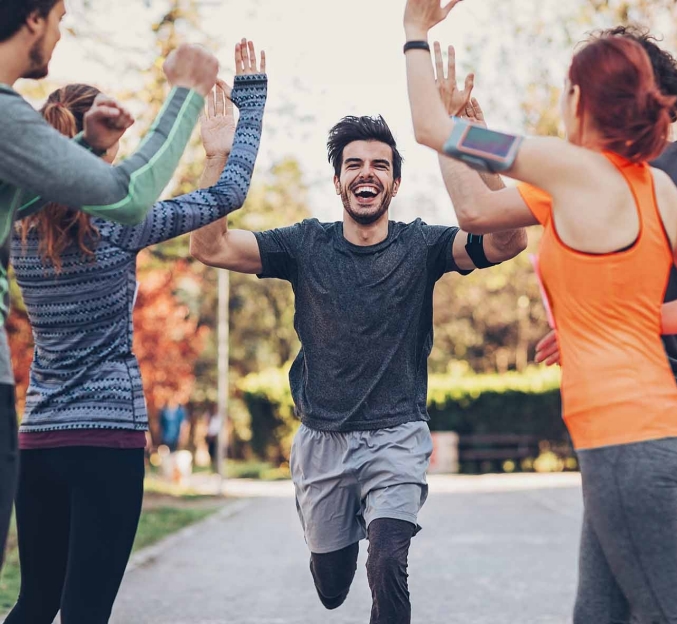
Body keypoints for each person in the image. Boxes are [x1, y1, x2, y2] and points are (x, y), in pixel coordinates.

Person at [402, 0, 677, 622]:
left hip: (628, 437)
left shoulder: (567, 168)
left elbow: (432, 130)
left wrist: (414, 32)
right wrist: (608, 324)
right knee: (597, 612)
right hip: (664, 431)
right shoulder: (658, 187)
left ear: (582, 101)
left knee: (671, 615)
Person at [189, 110, 526, 623]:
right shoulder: (305, 245)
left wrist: (475, 145)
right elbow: (208, 246)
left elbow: (509, 241)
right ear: (337, 181)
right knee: (331, 587)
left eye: (379, 165)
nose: (366, 173)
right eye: (354, 164)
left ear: (394, 184)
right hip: (322, 441)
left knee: (388, 559)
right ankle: (329, 544)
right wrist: (217, 158)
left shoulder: (421, 245)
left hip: (397, 435)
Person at [4, 39, 266, 624]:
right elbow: (227, 195)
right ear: (105, 142)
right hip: (107, 439)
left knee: (34, 602)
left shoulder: (17, 223)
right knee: (86, 611)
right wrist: (246, 112)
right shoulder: (121, 218)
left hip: (38, 438)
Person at [0, 0, 219, 565]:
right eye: (60, 17)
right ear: (32, 18)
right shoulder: (3, 115)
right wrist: (187, 94)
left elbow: (28, 199)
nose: (61, 31)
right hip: (104, 430)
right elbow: (126, 195)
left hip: (38, 426)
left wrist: (87, 148)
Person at [531, 27, 677, 624]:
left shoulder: (592, 176)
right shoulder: (623, 176)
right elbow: (478, 210)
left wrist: (615, 324)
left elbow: (471, 191)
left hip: (655, 421)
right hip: (656, 421)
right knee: (606, 606)